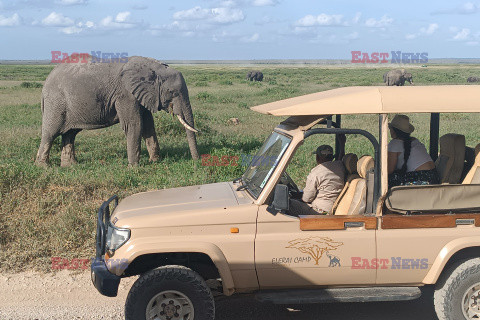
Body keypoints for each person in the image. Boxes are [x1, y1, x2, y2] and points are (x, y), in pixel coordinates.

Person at [388, 114, 439, 187]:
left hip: (419, 179)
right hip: (434, 177)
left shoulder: (394, 144)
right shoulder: (415, 140)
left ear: (393, 130)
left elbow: (389, 170)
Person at [302, 143, 346, 214]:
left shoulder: (316, 173)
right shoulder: (340, 166)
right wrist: (342, 145)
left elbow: (307, 198)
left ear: (317, 157)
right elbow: (341, 157)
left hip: (319, 211)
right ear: (332, 157)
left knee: (291, 204)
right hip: (334, 207)